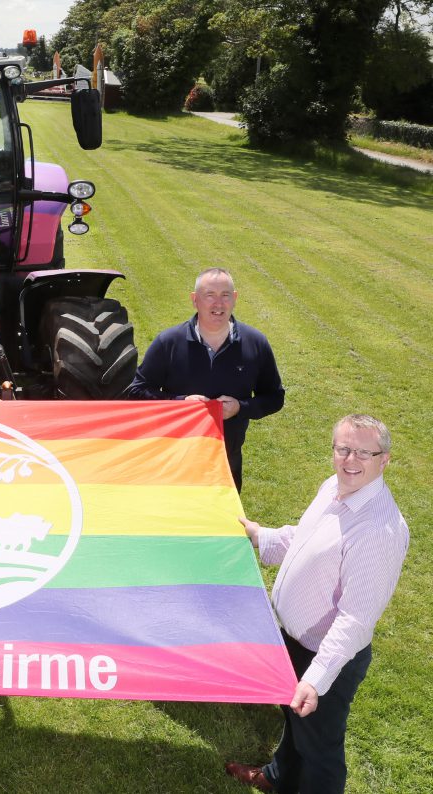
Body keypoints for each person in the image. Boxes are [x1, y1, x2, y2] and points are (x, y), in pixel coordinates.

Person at [226, 414, 409, 793]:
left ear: (384, 460)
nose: (350, 460)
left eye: (363, 452)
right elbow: (306, 539)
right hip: (294, 642)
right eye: (343, 448)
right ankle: (278, 778)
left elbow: (356, 619)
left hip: (325, 657)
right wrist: (262, 537)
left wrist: (316, 678)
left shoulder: (379, 530)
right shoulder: (334, 487)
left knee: (321, 749)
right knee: (296, 725)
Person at [126, 267, 284, 490]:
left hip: (227, 463)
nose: (218, 304)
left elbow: (275, 397)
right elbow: (136, 391)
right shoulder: (169, 342)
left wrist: (241, 407)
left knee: (223, 523)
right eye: (209, 295)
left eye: (225, 295)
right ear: (195, 300)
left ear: (235, 298)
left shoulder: (255, 343)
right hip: (174, 460)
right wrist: (181, 404)